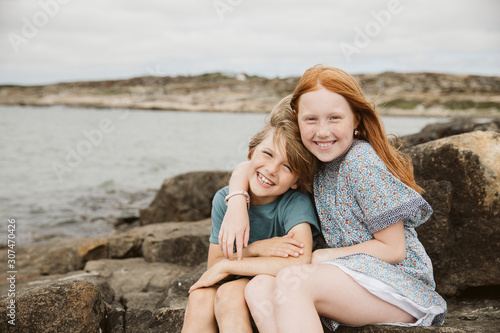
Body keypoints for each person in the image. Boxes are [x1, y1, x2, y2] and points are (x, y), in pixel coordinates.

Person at [218, 65, 447, 332]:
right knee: (259, 288)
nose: (323, 132)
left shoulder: (360, 161)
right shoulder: (315, 162)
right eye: (311, 119)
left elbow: (394, 250)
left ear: (356, 119)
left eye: (335, 118)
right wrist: (236, 201)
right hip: (351, 279)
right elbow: (251, 165)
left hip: (399, 285)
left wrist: (324, 256)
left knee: (296, 279)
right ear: (297, 118)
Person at [181, 96, 320, 333]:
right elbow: (214, 265)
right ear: (251, 152)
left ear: (297, 181)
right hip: (239, 273)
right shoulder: (225, 200)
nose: (271, 169)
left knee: (230, 293)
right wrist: (257, 248)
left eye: (287, 167)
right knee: (199, 297)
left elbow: (300, 260)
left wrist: (233, 263)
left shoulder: (294, 203)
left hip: (268, 282)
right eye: (267, 154)